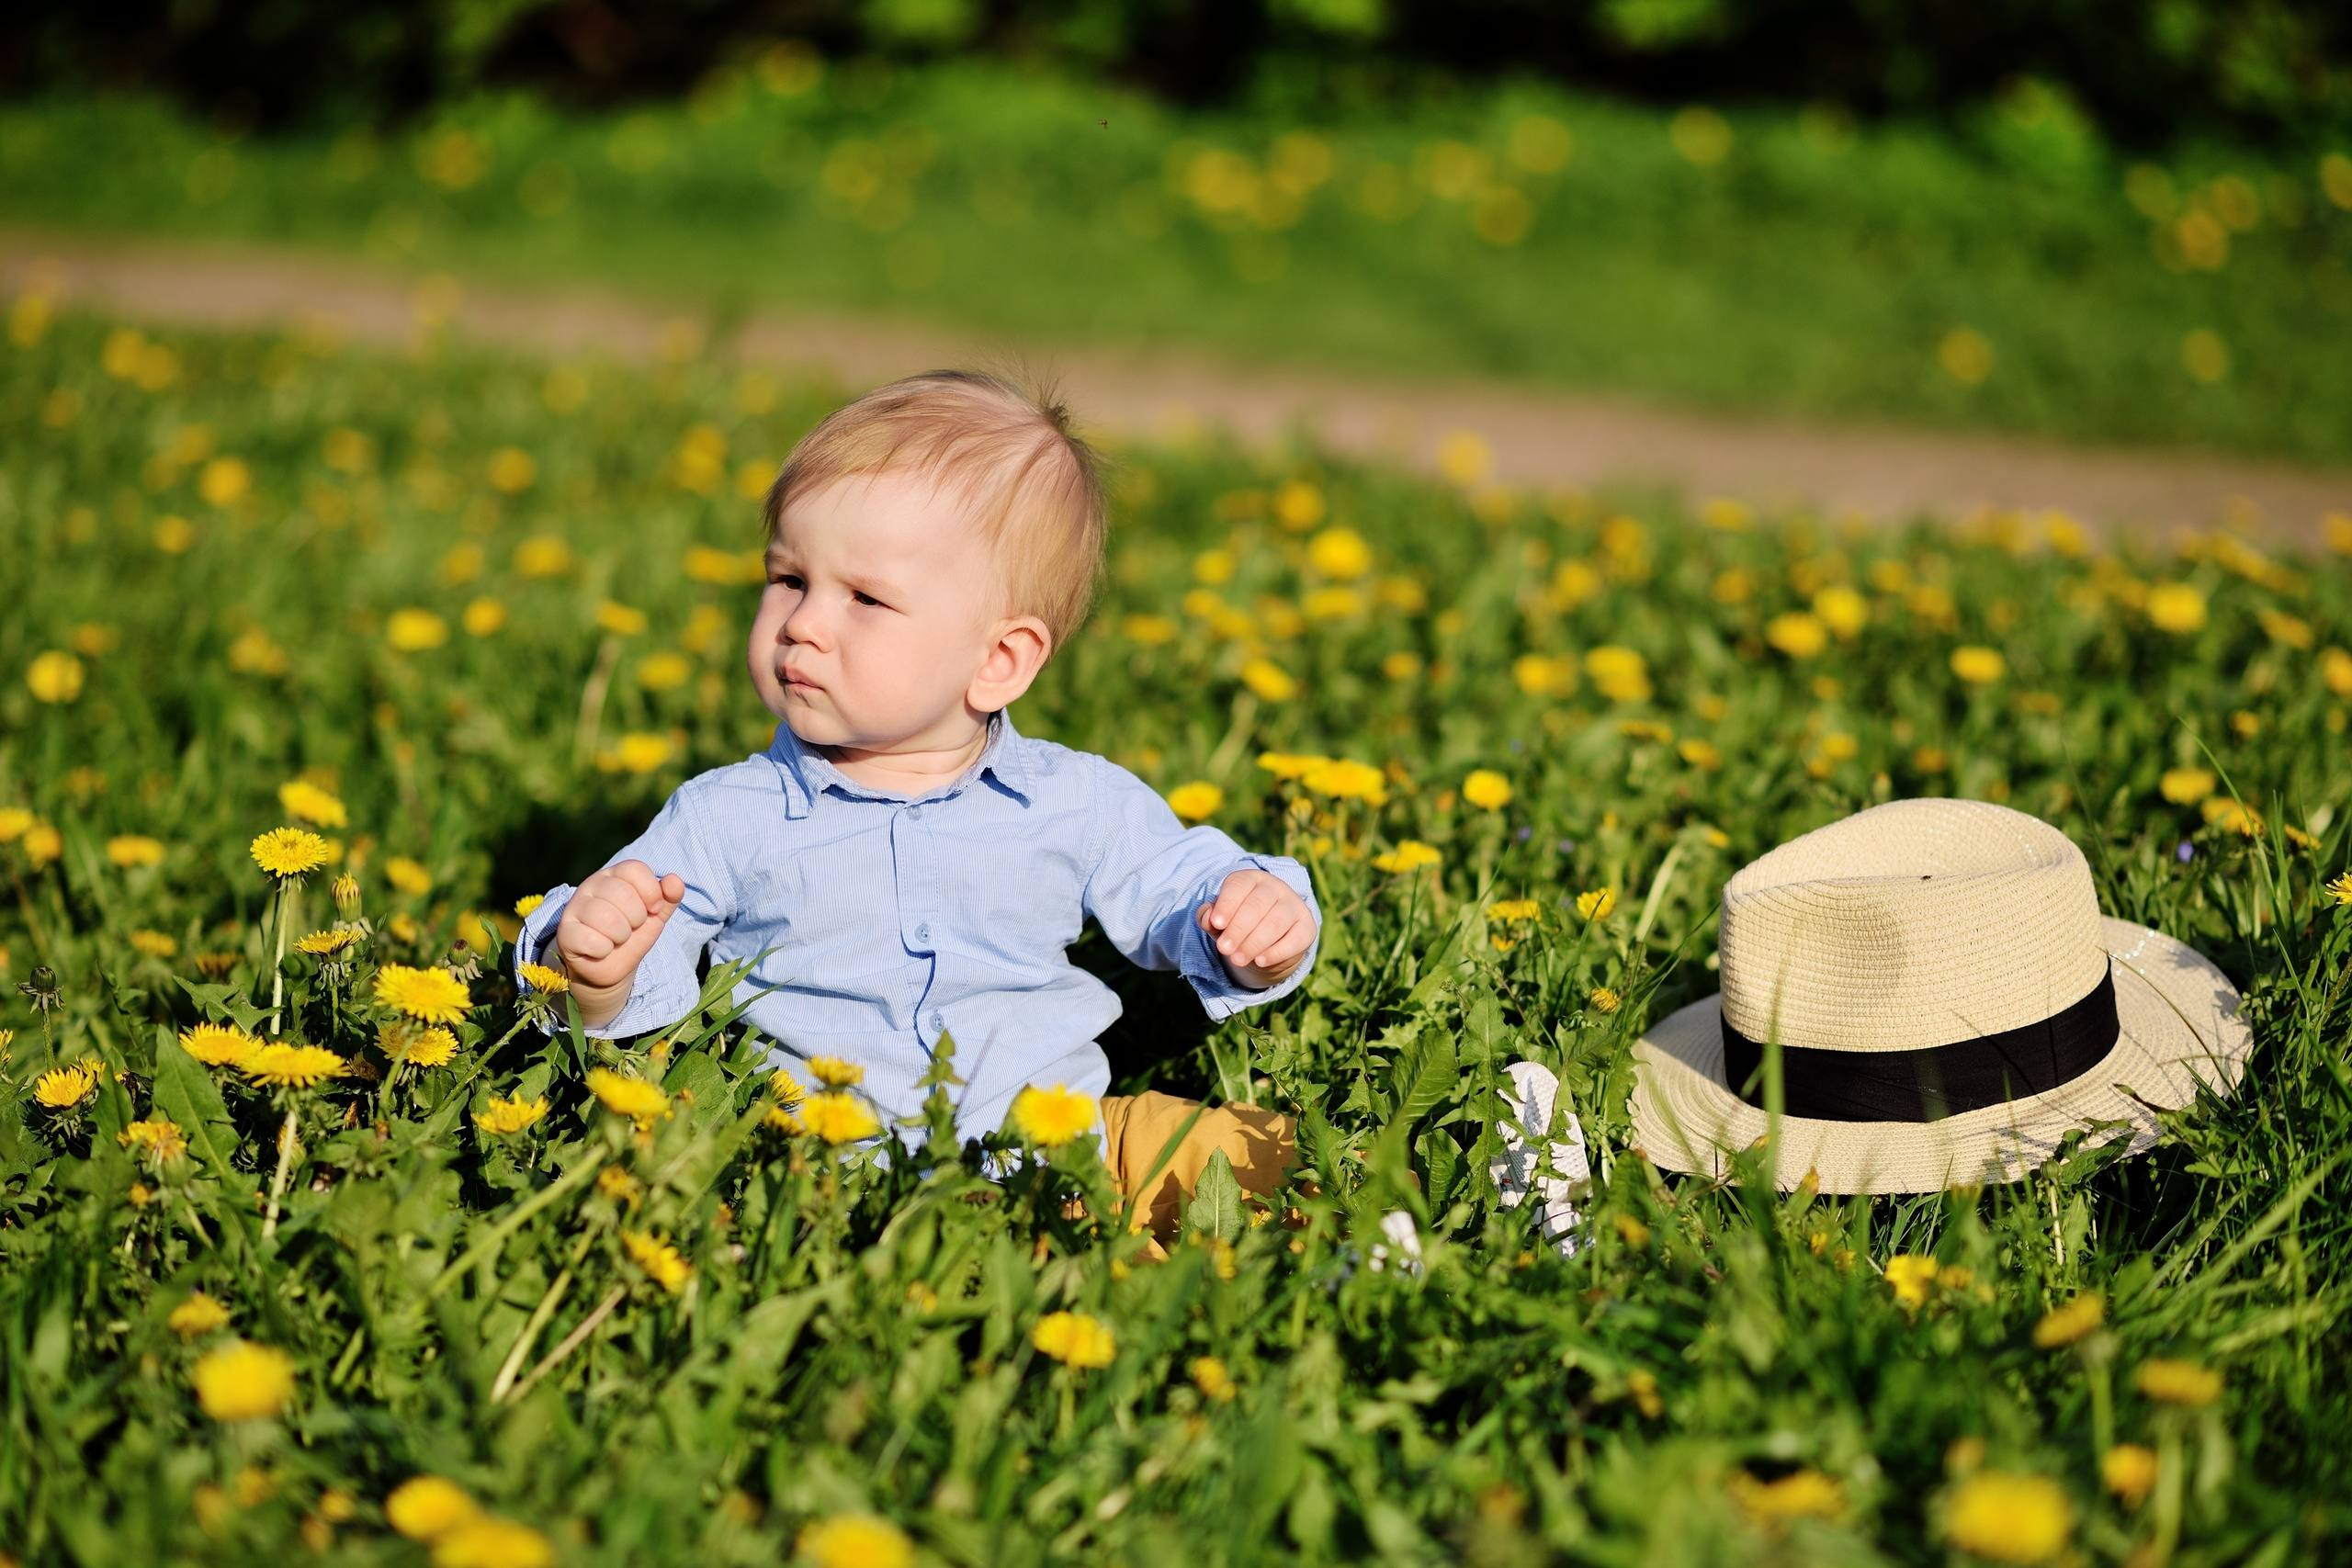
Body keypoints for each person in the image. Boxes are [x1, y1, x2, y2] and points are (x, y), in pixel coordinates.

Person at [512, 370, 1315, 1231]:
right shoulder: (731, 813)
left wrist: (1252, 918)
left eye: (863, 596)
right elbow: (646, 935)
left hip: (1063, 1145)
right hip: (834, 1176)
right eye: (788, 578)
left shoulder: (1069, 799)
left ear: (998, 661)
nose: (803, 623)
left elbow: (1177, 883)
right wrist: (595, 969)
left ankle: (1359, 1256)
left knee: (1257, 1155)